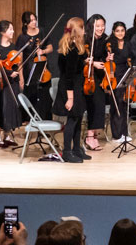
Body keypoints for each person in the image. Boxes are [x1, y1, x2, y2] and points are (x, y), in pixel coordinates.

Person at [52, 17, 99, 163]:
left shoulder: (76, 47)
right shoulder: (71, 49)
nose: (85, 31)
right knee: (72, 120)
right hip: (70, 88)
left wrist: (86, 60)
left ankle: (77, 149)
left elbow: (79, 63)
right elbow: (69, 76)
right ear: (78, 30)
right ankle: (67, 152)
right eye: (83, 28)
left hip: (77, 86)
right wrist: (70, 98)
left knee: (78, 119)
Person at [0, 20, 23, 147]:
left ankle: (7, 134)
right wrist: (8, 73)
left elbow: (17, 64)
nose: (13, 31)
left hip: (12, 82)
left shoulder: (13, 47)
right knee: (0, 107)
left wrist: (18, 76)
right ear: (3, 32)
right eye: (10, 29)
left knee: (10, 108)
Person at [16, 11, 54, 120]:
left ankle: (45, 121)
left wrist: (43, 51)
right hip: (29, 70)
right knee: (32, 96)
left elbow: (50, 48)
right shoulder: (22, 38)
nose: (34, 22)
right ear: (25, 23)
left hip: (43, 67)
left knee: (45, 96)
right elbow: (20, 59)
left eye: (34, 19)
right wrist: (21, 77)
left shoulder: (42, 31)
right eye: (31, 20)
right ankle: (33, 122)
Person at [84, 14, 109, 151]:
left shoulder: (105, 39)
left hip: (98, 78)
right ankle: (89, 137)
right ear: (91, 26)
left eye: (102, 25)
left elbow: (105, 56)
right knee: (91, 106)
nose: (101, 28)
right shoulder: (86, 39)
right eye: (98, 26)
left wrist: (108, 57)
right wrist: (93, 63)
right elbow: (82, 58)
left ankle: (93, 135)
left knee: (99, 106)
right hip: (86, 77)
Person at [107, 22, 132, 143]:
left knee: (124, 105)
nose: (120, 33)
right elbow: (107, 59)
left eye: (122, 30)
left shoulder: (128, 43)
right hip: (114, 76)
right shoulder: (109, 44)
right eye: (117, 31)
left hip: (126, 75)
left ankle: (124, 132)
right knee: (116, 105)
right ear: (113, 32)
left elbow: (132, 58)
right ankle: (116, 135)